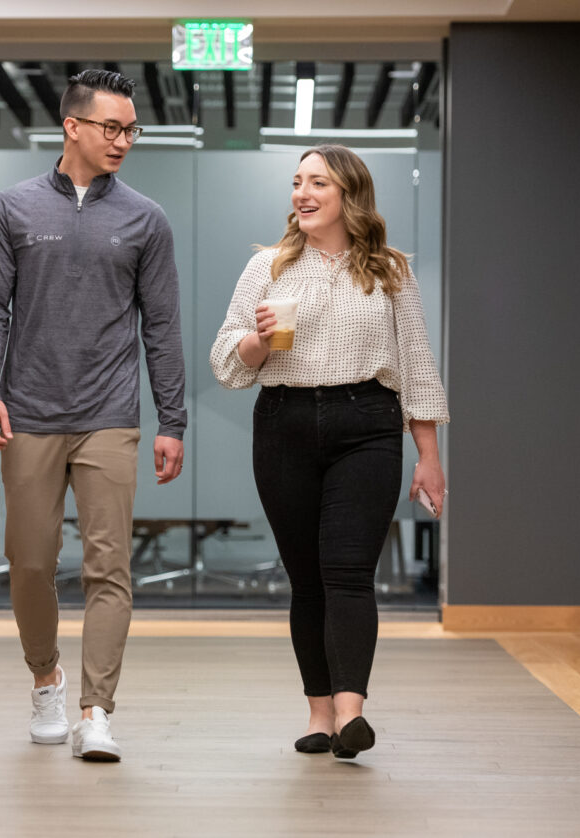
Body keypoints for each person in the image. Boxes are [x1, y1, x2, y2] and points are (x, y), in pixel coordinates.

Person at [0, 69, 186, 762]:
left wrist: (172, 420)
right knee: (29, 562)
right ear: (72, 127)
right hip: (28, 412)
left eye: (131, 130)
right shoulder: (13, 209)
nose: (124, 141)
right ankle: (46, 679)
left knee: (108, 567)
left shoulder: (145, 219)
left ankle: (96, 711)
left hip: (110, 416)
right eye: (111, 128)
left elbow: (163, 326)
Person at [210, 144, 448, 759]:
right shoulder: (267, 268)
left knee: (348, 572)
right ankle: (318, 714)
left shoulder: (390, 269)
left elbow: (417, 365)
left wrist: (429, 454)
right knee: (307, 579)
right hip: (284, 423)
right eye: (296, 182)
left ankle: (350, 715)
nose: (302, 194)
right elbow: (225, 363)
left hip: (367, 423)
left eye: (317, 182)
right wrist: (258, 344)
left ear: (349, 194)